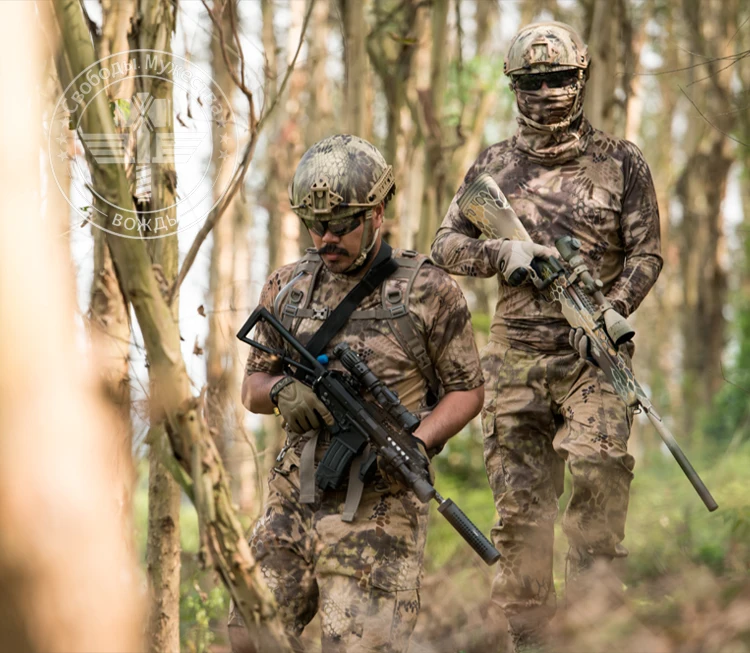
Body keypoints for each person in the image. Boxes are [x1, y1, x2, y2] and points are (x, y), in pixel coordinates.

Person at [430, 21, 663, 653]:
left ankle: (592, 631)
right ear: (515, 86)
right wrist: (505, 254)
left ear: (580, 78)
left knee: (598, 477)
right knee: (520, 516)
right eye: (533, 82)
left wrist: (615, 311)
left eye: (558, 79)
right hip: (516, 361)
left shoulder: (621, 161)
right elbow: (445, 244)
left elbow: (646, 254)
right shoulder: (494, 166)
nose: (547, 91)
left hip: (595, 358)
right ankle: (531, 641)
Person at [229, 134, 485, 653]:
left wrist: (421, 439)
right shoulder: (288, 286)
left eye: (342, 225)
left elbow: (468, 390)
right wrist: (282, 390)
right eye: (315, 225)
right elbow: (251, 388)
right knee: (251, 635)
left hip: (381, 504)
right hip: (292, 496)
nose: (326, 238)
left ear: (377, 213)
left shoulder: (427, 290)